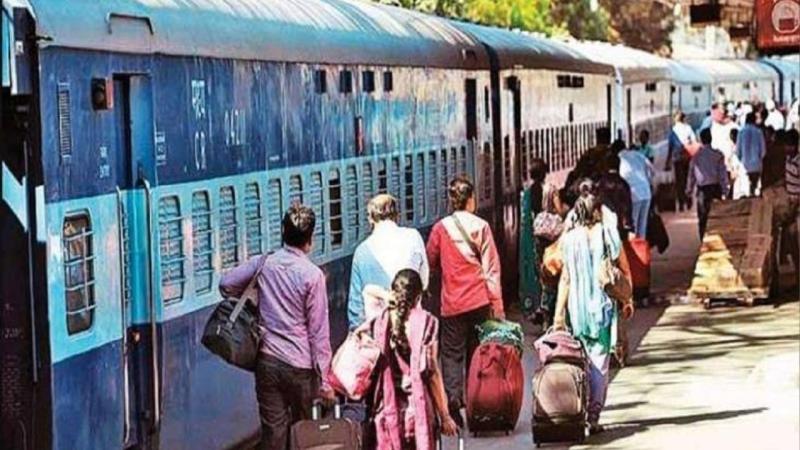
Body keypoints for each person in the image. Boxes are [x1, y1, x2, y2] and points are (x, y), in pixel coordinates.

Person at [220, 204, 333, 450]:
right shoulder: (312, 276)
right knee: (304, 433)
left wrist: (254, 299)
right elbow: (318, 333)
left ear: (283, 231)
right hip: (301, 368)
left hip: (268, 362)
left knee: (273, 434)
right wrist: (325, 381)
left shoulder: (265, 263)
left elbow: (226, 284)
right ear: (310, 239)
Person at [553, 179, 635, 434]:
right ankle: (593, 416)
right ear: (597, 211)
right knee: (599, 363)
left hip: (577, 311)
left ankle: (579, 409)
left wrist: (558, 316)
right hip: (601, 310)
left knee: (582, 360)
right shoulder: (607, 234)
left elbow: (565, 279)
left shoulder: (569, 240)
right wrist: (627, 299)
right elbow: (623, 268)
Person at [426, 176, 504, 427]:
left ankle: (453, 399)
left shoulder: (440, 228)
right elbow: (491, 270)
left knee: (451, 354)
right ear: (471, 199)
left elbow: (431, 260)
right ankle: (475, 403)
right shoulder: (481, 227)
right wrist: (498, 308)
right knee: (477, 353)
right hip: (479, 302)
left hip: (452, 305)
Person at [364, 270, 458, 449]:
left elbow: (368, 290)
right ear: (418, 298)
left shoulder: (380, 321)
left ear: (394, 293)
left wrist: (388, 296)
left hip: (387, 412)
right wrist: (445, 416)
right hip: (418, 414)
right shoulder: (427, 323)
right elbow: (432, 374)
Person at [348, 194, 429, 330]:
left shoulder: (361, 251)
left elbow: (356, 304)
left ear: (370, 219)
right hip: (412, 324)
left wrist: (358, 332)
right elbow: (424, 282)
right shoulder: (413, 237)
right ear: (397, 215)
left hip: (377, 329)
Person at [520, 159, 560, 325]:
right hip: (551, 237)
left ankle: (538, 307)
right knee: (551, 272)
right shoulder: (551, 189)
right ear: (545, 173)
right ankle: (549, 308)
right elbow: (558, 210)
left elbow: (526, 217)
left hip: (536, 236)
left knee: (539, 272)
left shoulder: (528, 193)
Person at [687, 128, 730, 239]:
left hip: (702, 190)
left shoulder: (696, 156)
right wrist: (726, 190)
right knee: (716, 215)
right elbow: (722, 174)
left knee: (703, 217)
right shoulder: (718, 155)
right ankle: (717, 237)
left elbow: (691, 175)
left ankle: (704, 239)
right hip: (715, 189)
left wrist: (689, 190)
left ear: (701, 140)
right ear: (711, 139)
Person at [618, 143, 654, 238]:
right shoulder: (638, 154)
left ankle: (634, 246)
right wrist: (647, 181)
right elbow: (651, 169)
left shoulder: (619, 158)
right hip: (646, 193)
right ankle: (641, 245)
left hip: (633, 194)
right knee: (642, 225)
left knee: (633, 225)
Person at [596, 152, 633, 237]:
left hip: (606, 223)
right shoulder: (624, 183)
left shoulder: (601, 183)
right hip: (620, 224)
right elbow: (627, 206)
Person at [782, 129, 800, 286]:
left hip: (797, 208)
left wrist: (794, 208)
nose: (786, 148)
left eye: (789, 145)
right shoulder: (788, 160)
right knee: (793, 246)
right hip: (791, 206)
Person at [670, 112, 697, 211]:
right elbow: (694, 141)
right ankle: (688, 199)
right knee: (687, 179)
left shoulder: (673, 130)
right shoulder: (688, 128)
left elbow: (670, 146)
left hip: (677, 158)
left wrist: (668, 161)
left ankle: (681, 202)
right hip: (687, 157)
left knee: (679, 181)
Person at [736, 112, 767, 197]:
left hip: (745, 165)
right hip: (756, 165)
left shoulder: (741, 132)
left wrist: (741, 160)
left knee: (746, 192)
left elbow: (738, 151)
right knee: (755, 190)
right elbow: (763, 151)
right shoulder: (759, 132)